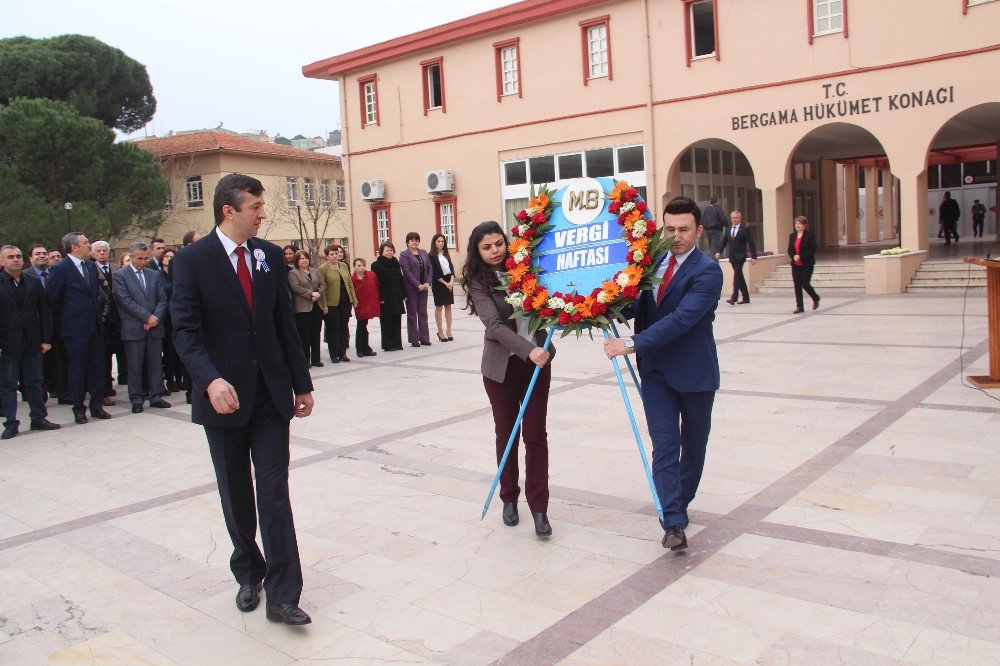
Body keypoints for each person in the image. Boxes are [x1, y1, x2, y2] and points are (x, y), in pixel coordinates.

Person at [170, 173, 315, 625]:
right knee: (236, 493)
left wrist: (301, 383)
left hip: (271, 397)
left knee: (274, 492)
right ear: (228, 210)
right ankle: (248, 572)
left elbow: (283, 327)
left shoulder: (270, 256)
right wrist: (209, 380)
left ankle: (283, 593)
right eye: (255, 205)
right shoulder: (193, 260)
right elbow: (185, 330)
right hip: (224, 400)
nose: (262, 213)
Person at [604, 196, 723, 551]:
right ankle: (672, 520)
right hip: (656, 371)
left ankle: (681, 501)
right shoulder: (651, 263)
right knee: (666, 445)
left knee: (694, 446)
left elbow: (682, 319)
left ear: (699, 230)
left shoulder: (708, 271)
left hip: (695, 372)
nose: (676, 236)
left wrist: (631, 343)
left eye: (684, 229)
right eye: (669, 229)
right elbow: (636, 304)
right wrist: (600, 305)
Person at [463, 221, 556, 537]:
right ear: (478, 251)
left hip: (537, 364)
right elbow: (494, 326)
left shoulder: (527, 267)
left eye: (498, 243)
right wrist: (528, 350)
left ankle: (539, 507)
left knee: (535, 434)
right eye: (486, 247)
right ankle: (509, 497)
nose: (494, 251)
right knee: (507, 433)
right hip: (502, 369)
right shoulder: (478, 282)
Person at [46, 232, 111, 424]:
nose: (89, 245)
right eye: (85, 243)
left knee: (97, 368)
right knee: (78, 370)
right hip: (75, 330)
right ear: (74, 247)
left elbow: (95, 295)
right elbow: (53, 299)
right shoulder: (60, 268)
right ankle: (79, 408)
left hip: (95, 327)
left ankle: (97, 406)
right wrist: (68, 321)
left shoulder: (90, 266)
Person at [0, 245, 60, 439]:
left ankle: (39, 418)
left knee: (35, 382)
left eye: (18, 256)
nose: (16, 260)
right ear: (2, 261)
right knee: (9, 385)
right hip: (7, 344)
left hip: (32, 342)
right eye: (10, 257)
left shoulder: (33, 282)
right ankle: (10, 423)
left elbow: (44, 312)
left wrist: (46, 339)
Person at [113, 242, 170, 413]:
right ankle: (136, 398)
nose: (143, 262)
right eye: (139, 258)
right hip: (134, 326)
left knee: (155, 363)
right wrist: (146, 317)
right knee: (135, 365)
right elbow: (124, 300)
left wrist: (155, 318)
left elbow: (162, 299)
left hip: (154, 327)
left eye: (146, 258)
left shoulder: (154, 274)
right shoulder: (120, 275)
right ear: (130, 257)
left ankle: (156, 395)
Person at [28, 245, 70, 404]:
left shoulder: (56, 273)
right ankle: (40, 396)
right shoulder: (27, 276)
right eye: (37, 253)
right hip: (36, 327)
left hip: (58, 324)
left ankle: (63, 393)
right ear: (30, 258)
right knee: (41, 365)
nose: (42, 256)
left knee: (60, 361)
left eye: (45, 253)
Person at [91, 240, 120, 405]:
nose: (102, 253)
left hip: (116, 318)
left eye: (105, 251)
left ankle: (109, 386)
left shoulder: (116, 269)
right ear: (93, 254)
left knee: (111, 354)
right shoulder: (91, 269)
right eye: (99, 251)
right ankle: (102, 391)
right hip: (101, 318)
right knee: (101, 356)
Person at [318, 244, 357, 364]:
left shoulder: (344, 265)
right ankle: (334, 354)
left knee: (343, 328)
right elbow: (322, 288)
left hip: (345, 301)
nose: (335, 256)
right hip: (331, 303)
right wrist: (324, 305)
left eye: (336, 253)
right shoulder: (323, 269)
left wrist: (354, 299)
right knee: (333, 329)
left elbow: (350, 283)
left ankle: (343, 353)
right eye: (332, 254)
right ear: (327, 256)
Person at [288, 250, 326, 367]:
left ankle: (316, 359)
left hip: (316, 306)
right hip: (303, 308)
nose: (304, 260)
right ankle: (305, 360)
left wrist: (319, 294)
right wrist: (311, 294)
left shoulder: (315, 271)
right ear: (297, 261)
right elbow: (295, 287)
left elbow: (323, 284)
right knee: (304, 335)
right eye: (301, 259)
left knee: (316, 333)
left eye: (306, 258)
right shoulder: (293, 273)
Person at [715, 210, 757, 305]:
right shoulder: (729, 229)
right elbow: (723, 242)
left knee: (736, 276)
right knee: (739, 277)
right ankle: (746, 298)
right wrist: (719, 251)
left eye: (736, 218)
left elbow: (751, 243)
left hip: (741, 256)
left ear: (740, 218)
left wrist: (754, 256)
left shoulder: (744, 229)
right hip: (732, 257)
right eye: (732, 218)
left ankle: (734, 297)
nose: (734, 219)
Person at [370, 241, 406, 352]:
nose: (389, 252)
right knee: (386, 321)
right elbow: (376, 283)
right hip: (385, 297)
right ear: (382, 252)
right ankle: (388, 344)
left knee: (396, 319)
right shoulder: (376, 265)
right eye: (387, 250)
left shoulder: (396, 262)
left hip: (396, 295)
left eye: (391, 250)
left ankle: (397, 343)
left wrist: (404, 294)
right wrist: (380, 297)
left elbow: (401, 278)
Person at [399, 232, 432, 347]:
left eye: (416, 240)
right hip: (411, 288)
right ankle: (414, 339)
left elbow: (429, 269)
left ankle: (425, 338)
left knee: (423, 313)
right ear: (407, 242)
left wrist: (427, 282)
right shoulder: (404, 254)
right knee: (412, 313)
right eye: (412, 240)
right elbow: (406, 272)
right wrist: (417, 284)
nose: (414, 242)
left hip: (424, 287)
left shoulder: (423, 252)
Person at [787, 216, 820, 314]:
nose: (797, 225)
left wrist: (800, 256)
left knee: (805, 283)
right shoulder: (792, 235)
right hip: (795, 264)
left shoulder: (810, 235)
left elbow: (812, 249)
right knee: (797, 285)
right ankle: (799, 306)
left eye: (799, 223)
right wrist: (793, 256)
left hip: (807, 264)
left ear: (804, 225)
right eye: (796, 223)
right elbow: (790, 250)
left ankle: (815, 298)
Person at [350, 258, 380, 358]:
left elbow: (377, 286)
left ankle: (366, 348)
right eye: (359, 265)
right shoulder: (352, 279)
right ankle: (360, 348)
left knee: (364, 326)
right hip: (360, 305)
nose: (361, 267)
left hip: (370, 303)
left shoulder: (371, 275)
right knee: (361, 325)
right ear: (354, 267)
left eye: (363, 265)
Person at [429, 233, 455, 342]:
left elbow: (452, 269)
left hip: (449, 282)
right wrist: (446, 283)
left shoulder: (446, 254)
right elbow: (434, 273)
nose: (440, 243)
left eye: (442, 241)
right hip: (439, 283)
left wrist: (451, 281)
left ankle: (449, 330)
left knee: (448, 306)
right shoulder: (430, 255)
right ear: (434, 243)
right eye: (438, 241)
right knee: (439, 307)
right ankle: (440, 331)